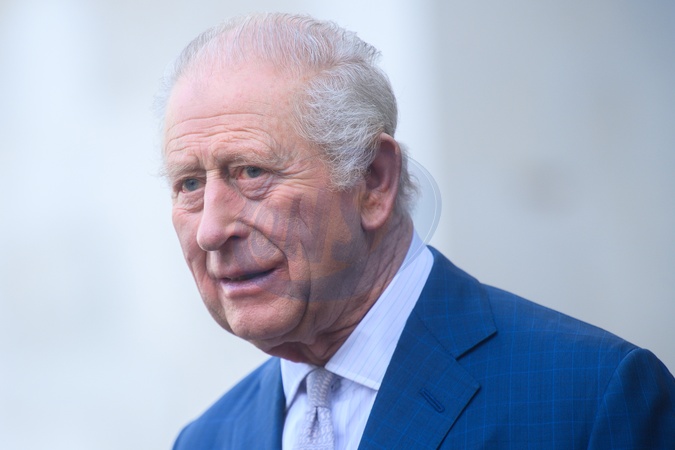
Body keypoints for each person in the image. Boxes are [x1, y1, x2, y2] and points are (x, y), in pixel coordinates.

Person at [159, 12, 675, 449]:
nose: (211, 231)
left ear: (373, 181)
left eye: (251, 172)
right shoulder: (206, 439)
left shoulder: (591, 398)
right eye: (189, 184)